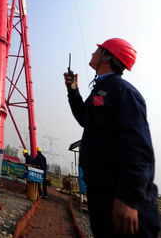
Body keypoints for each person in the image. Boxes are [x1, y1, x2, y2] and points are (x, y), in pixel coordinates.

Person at [64, 38, 160, 237]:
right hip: (102, 191)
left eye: (99, 48)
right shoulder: (101, 91)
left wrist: (128, 199)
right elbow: (86, 119)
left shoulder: (123, 92)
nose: (94, 51)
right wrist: (73, 91)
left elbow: (138, 148)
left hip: (121, 198)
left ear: (107, 57)